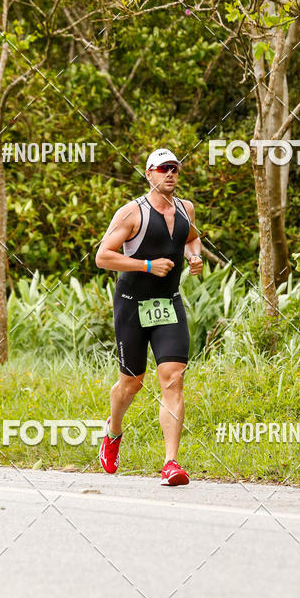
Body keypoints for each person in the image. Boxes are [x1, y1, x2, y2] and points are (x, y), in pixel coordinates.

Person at [95, 148, 203, 485]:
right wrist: (146, 266)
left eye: (174, 168)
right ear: (149, 174)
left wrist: (194, 257)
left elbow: (192, 238)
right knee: (132, 383)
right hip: (132, 304)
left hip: (168, 303)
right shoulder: (132, 213)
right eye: (163, 168)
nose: (170, 173)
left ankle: (171, 463)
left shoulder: (185, 209)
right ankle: (113, 431)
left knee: (173, 378)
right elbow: (103, 256)